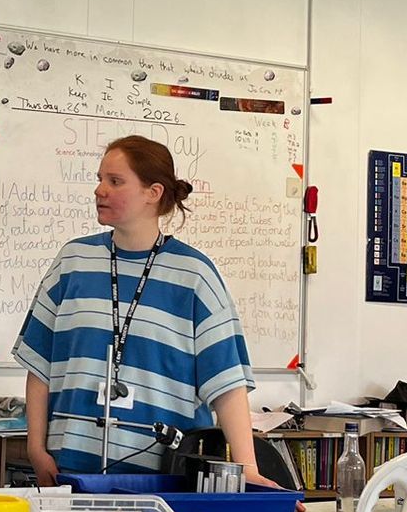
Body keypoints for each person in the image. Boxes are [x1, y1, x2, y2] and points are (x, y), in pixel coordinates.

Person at [14, 135, 281, 488]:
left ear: (152, 193)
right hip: (71, 470)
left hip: (161, 481)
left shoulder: (194, 275)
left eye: (115, 181)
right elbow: (40, 362)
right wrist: (35, 446)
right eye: (99, 179)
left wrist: (246, 468)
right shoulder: (72, 262)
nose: (100, 190)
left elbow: (227, 383)